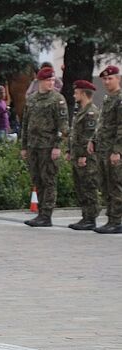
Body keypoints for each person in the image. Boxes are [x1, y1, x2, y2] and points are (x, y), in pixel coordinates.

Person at [20, 66, 68, 228]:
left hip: (48, 145)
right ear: (40, 81)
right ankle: (40, 213)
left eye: (53, 80)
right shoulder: (32, 99)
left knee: (48, 180)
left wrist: (57, 146)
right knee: (37, 179)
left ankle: (46, 215)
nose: (51, 83)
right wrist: (24, 146)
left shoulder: (57, 99)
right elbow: (25, 123)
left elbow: (63, 126)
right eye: (48, 80)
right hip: (33, 145)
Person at [89, 65, 122, 234]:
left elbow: (121, 127)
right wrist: (93, 140)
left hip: (113, 151)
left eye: (110, 78)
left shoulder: (120, 99)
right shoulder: (108, 98)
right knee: (106, 184)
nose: (107, 82)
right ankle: (111, 219)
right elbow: (102, 124)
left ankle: (117, 221)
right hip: (103, 149)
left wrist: (117, 150)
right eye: (105, 79)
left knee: (115, 185)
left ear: (118, 79)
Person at [67, 80, 101, 231]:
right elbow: (75, 135)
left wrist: (83, 156)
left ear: (83, 93)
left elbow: (89, 136)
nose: (74, 95)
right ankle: (85, 216)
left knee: (88, 185)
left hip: (86, 157)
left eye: (76, 92)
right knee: (80, 186)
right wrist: (70, 151)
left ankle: (91, 218)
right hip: (77, 155)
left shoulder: (91, 112)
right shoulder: (80, 110)